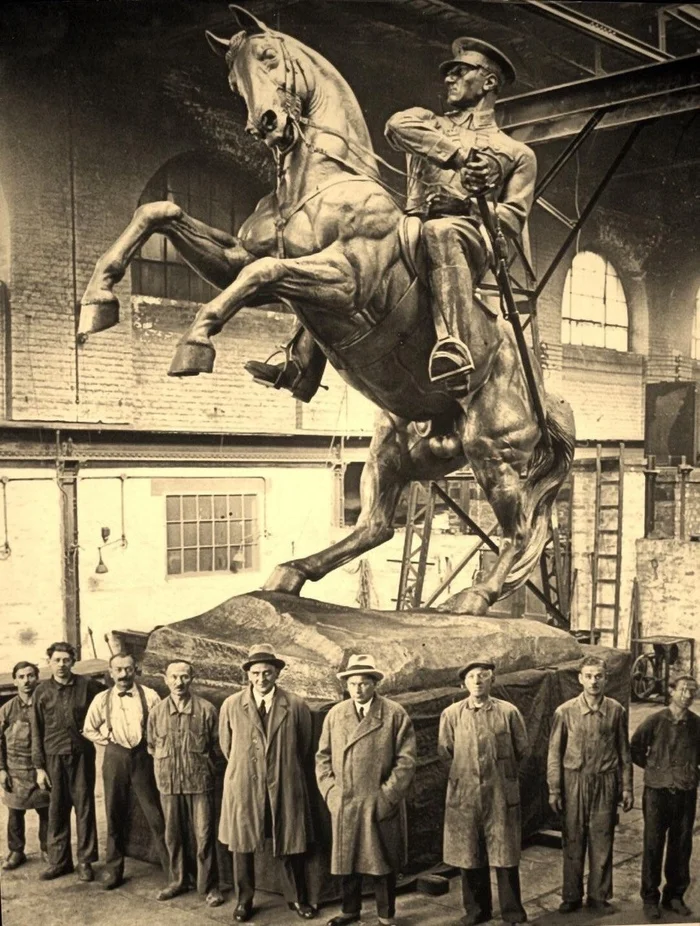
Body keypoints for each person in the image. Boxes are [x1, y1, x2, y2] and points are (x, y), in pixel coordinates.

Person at [245, 36, 535, 401]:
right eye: (449, 73)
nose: (449, 79)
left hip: (466, 238)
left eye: (460, 72)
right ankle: (302, 363)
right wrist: (460, 156)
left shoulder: (517, 153)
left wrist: (478, 203)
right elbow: (396, 126)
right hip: (411, 224)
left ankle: (453, 345)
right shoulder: (427, 122)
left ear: (489, 82)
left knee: (439, 232)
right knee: (355, 246)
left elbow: (511, 219)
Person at [218, 643, 317, 922]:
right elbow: (227, 747)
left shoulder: (295, 705)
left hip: (283, 783)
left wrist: (280, 769)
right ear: (248, 675)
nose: (262, 679)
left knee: (288, 840)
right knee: (242, 844)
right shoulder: (231, 705)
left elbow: (304, 746)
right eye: (256, 673)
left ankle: (297, 899)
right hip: (244, 786)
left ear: (277, 674)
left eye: (268, 673)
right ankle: (244, 900)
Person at [316, 653, 416, 926]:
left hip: (377, 800)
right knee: (347, 859)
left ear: (375, 684)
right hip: (345, 801)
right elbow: (322, 757)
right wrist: (331, 793)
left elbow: (406, 762)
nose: (357, 689)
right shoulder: (336, 715)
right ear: (346, 686)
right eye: (352, 684)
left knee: (382, 861)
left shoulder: (394, 713)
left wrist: (387, 797)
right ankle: (350, 910)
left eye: (363, 683)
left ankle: (386, 914)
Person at [439, 657, 529, 926]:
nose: (477, 681)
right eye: (471, 677)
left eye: (483, 675)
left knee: (505, 856)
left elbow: (522, 750)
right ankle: (477, 911)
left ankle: (513, 913)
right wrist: (463, 777)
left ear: (493, 679)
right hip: (465, 797)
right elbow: (445, 753)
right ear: (463, 683)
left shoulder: (508, 712)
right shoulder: (452, 714)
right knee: (469, 855)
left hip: (500, 794)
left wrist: (504, 776)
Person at [547, 655, 634, 916]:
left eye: (599, 676)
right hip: (574, 780)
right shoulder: (565, 711)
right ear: (580, 679)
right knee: (573, 838)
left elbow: (624, 752)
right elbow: (553, 753)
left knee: (602, 839)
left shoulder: (617, 710)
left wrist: (627, 787)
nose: (594, 681)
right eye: (588, 676)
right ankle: (571, 895)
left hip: (605, 783)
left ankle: (598, 896)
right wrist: (554, 789)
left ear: (606, 678)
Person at [82, 651, 170, 889]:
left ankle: (174, 871)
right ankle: (113, 870)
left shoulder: (150, 696)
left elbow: (163, 725)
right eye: (118, 670)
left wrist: (152, 746)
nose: (123, 675)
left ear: (135, 670)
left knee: (156, 814)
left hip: (143, 757)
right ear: (111, 673)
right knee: (113, 813)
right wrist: (108, 740)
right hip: (115, 757)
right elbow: (88, 729)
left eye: (128, 669)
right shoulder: (102, 699)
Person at [146, 660, 224, 907]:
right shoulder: (157, 712)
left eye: (184, 677)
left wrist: (205, 771)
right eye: (174, 677)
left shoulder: (206, 710)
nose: (179, 682)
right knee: (173, 836)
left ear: (192, 679)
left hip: (200, 783)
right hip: (168, 784)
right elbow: (151, 746)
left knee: (204, 836)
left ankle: (209, 886)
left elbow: (218, 749)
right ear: (165, 679)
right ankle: (178, 881)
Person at [31, 641, 104, 881]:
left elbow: (108, 706)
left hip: (82, 756)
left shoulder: (88, 686)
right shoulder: (41, 691)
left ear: (73, 662)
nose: (61, 665)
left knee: (84, 808)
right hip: (53, 757)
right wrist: (39, 767)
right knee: (57, 810)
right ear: (49, 662)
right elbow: (36, 730)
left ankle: (85, 861)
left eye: (66, 660)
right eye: (56, 660)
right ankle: (60, 862)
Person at [631, 672, 700, 921]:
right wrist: (655, 768)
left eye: (692, 690)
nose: (687, 695)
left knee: (681, 845)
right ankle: (650, 898)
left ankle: (674, 896)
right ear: (671, 691)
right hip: (657, 793)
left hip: (685, 792)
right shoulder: (654, 720)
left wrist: (690, 774)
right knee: (653, 845)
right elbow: (635, 748)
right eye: (682, 689)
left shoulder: (696, 724)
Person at [0, 661, 50, 870]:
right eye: (21, 676)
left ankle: (48, 849)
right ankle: (16, 851)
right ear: (15, 681)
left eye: (30, 675)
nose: (26, 681)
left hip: (42, 768)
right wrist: (1, 770)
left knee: (46, 810)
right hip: (15, 769)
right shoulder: (7, 709)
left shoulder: (45, 704)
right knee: (15, 813)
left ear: (37, 678)